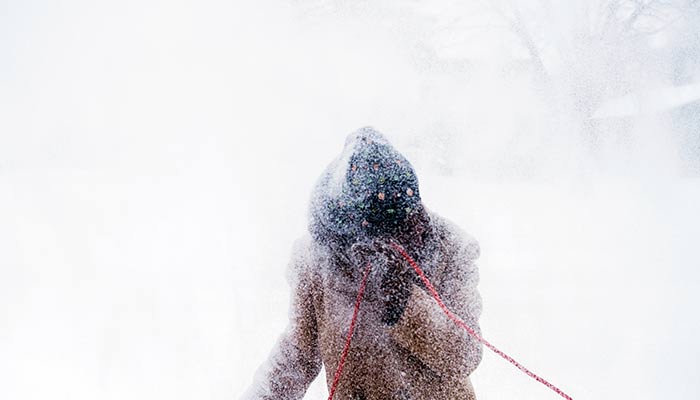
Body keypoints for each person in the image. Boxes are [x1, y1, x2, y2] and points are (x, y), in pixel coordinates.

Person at [242, 127, 483, 399]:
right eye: (387, 232)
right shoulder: (316, 258)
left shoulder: (451, 247)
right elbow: (299, 354)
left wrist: (406, 302)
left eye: (408, 223)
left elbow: (465, 356)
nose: (404, 237)